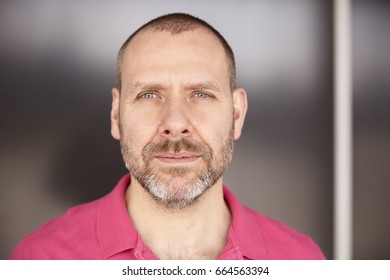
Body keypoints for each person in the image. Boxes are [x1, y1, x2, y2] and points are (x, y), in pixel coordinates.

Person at [10, 13, 325, 260]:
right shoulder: (39, 259)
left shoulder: (302, 261)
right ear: (116, 114)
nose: (175, 123)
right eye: (149, 95)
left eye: (200, 94)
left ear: (237, 114)